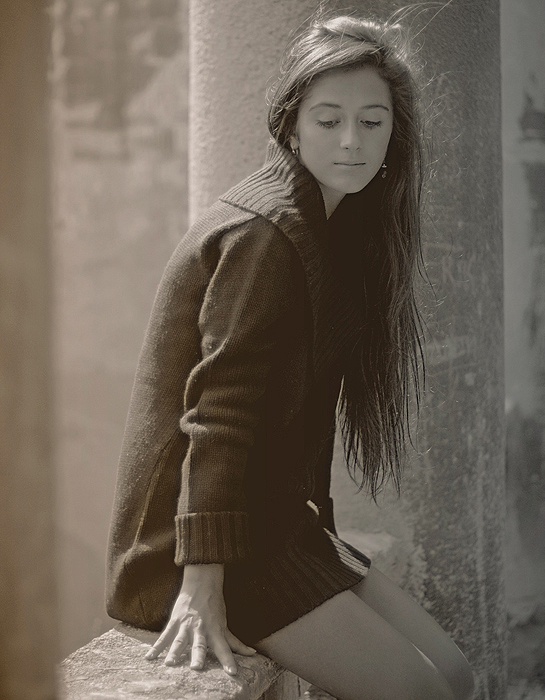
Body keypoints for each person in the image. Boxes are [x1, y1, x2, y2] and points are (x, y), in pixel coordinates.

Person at [106, 11, 475, 700]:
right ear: (292, 125)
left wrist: (317, 533)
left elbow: (300, 420)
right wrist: (201, 584)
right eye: (328, 119)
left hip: (276, 526)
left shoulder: (337, 226)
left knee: (454, 674)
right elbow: (217, 419)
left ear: (394, 135)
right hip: (201, 549)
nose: (351, 140)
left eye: (372, 121)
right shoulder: (265, 236)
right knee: (419, 693)